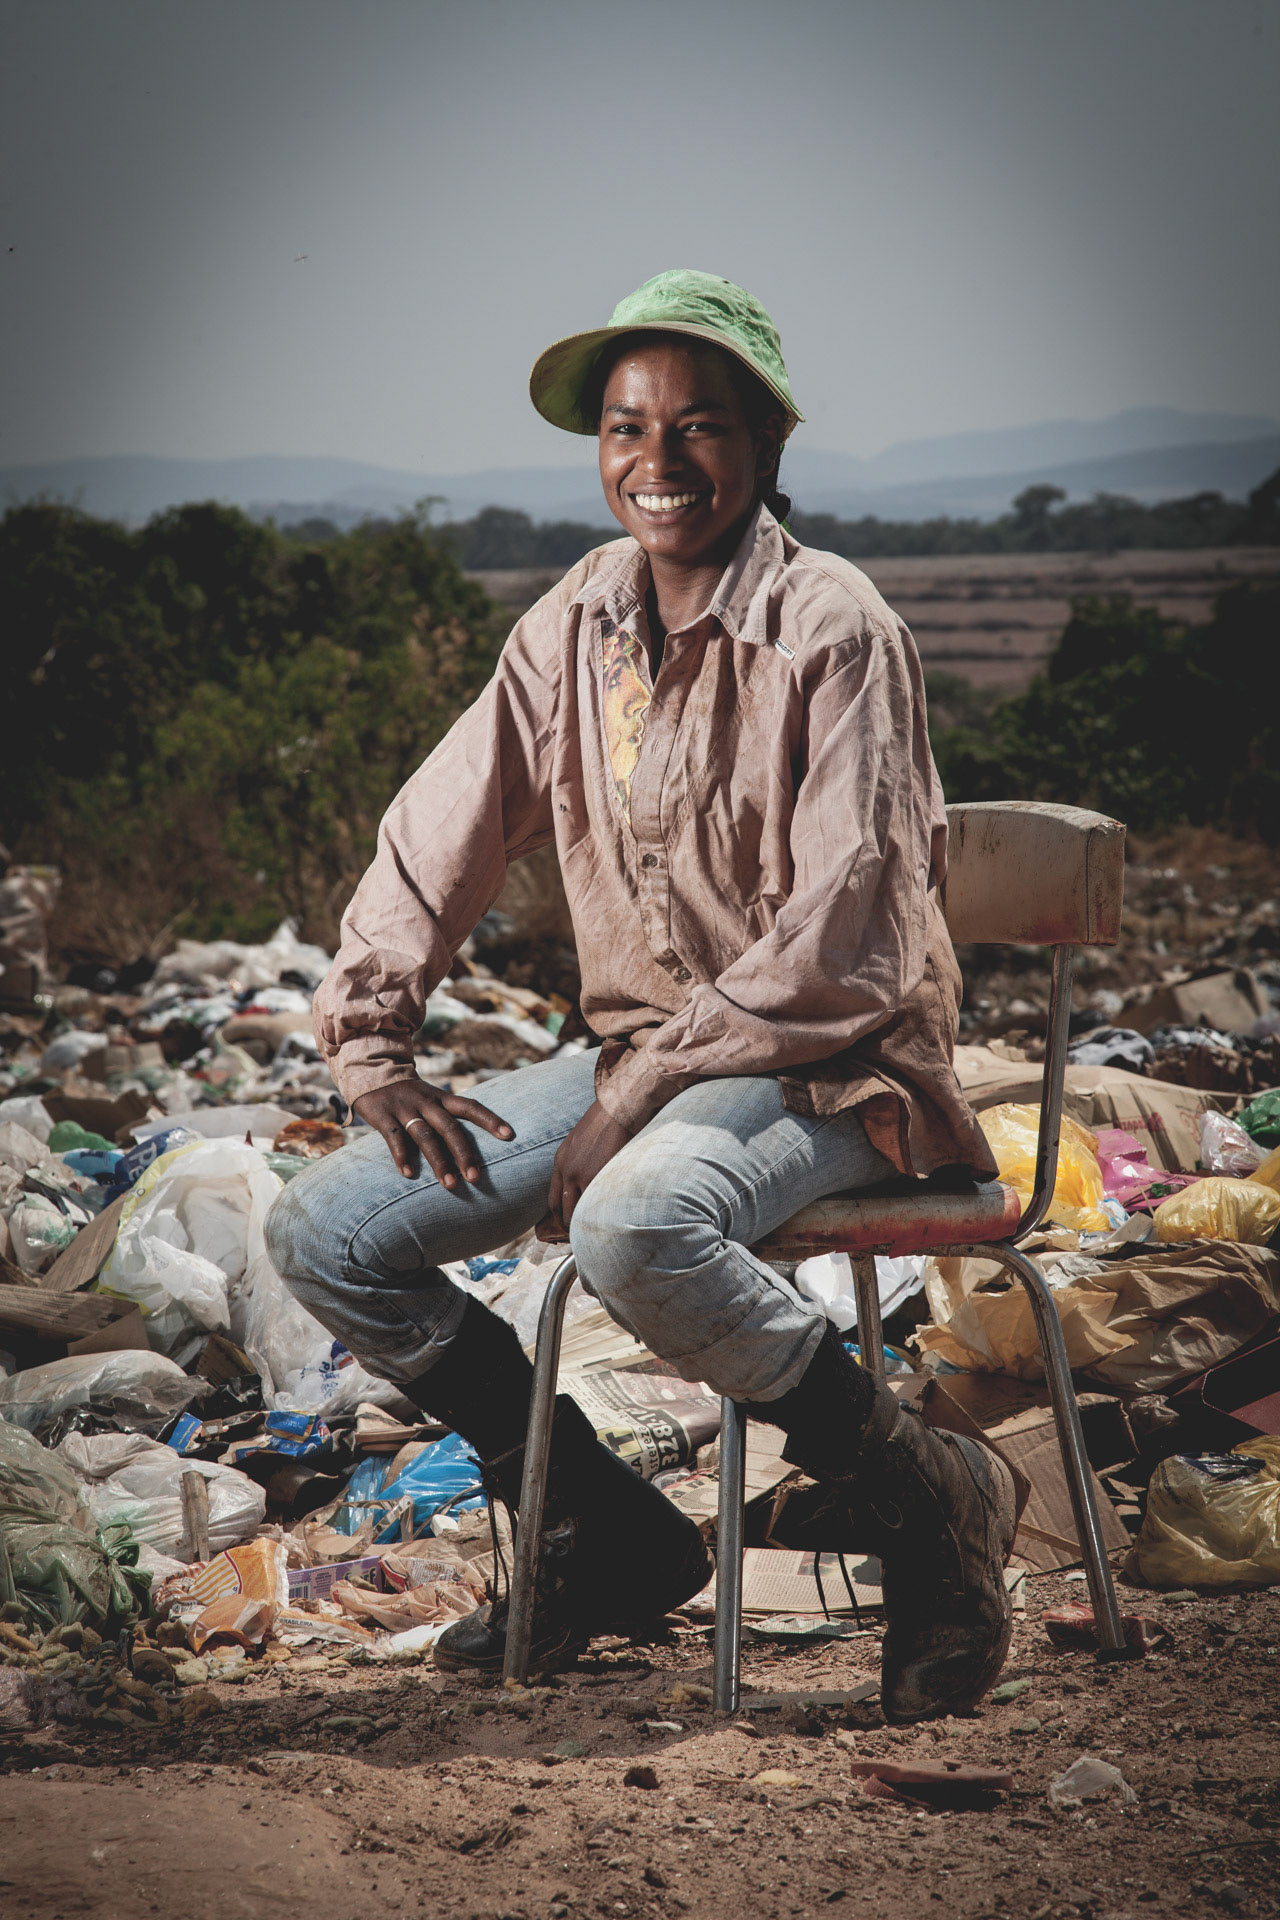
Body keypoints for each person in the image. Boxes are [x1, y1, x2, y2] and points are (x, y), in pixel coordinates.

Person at [265, 269, 1015, 1722]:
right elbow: (440, 833)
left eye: (701, 428)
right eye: (626, 429)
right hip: (640, 1054)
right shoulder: (576, 624)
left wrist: (645, 1092)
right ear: (598, 449)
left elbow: (842, 939)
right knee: (327, 1231)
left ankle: (936, 1502)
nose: (659, 465)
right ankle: (594, 1525)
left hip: (835, 1070)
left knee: (632, 1220)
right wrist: (377, 1045)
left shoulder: (834, 630)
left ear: (766, 447)